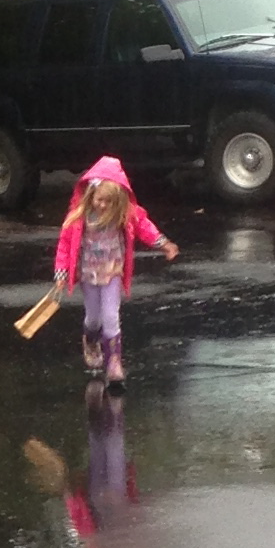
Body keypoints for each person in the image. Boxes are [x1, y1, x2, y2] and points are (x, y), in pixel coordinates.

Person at [54, 156, 176, 388]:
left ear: (117, 201)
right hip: (89, 274)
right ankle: (90, 340)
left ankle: (114, 364)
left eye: (108, 202)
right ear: (91, 195)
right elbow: (64, 246)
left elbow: (144, 227)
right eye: (99, 200)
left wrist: (163, 243)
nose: (102, 206)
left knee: (111, 317)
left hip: (112, 273)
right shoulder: (79, 217)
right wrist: (61, 274)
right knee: (93, 319)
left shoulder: (124, 214)